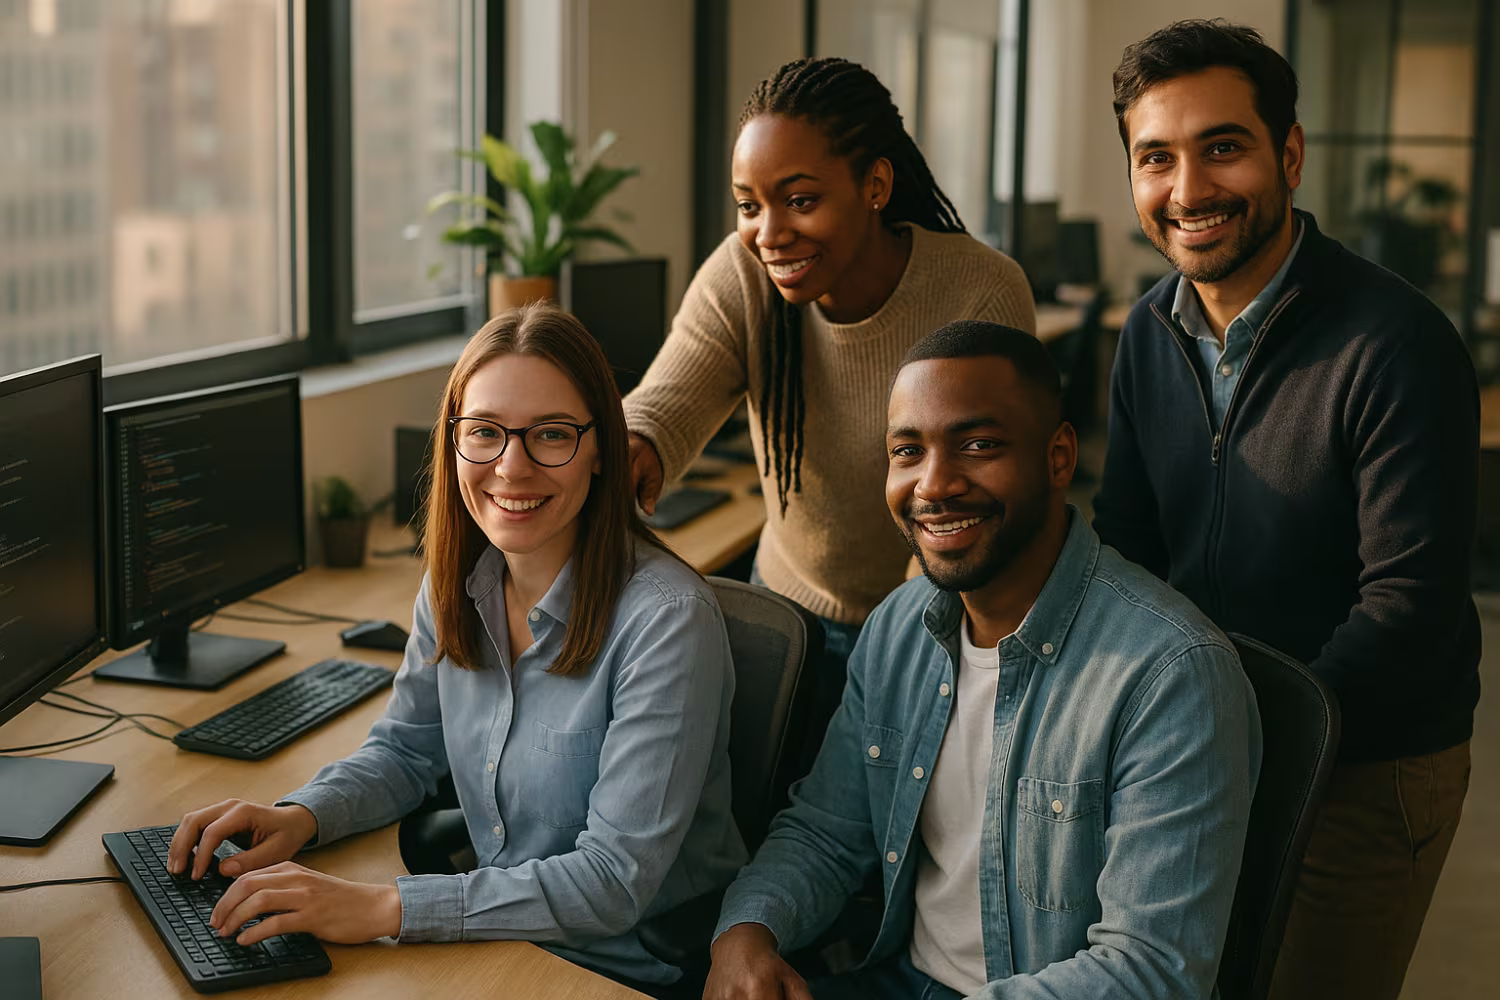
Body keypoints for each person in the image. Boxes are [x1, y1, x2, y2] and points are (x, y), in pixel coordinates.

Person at [165, 303, 747, 993]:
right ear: (453, 440)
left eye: (552, 435)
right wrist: (302, 816)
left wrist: (382, 906)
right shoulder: (459, 583)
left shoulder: (667, 620)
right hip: (496, 935)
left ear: (601, 451)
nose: (512, 467)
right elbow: (407, 751)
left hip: (619, 970)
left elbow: (611, 883)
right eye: (485, 433)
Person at [1093, 20, 1480, 999]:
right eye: (1157, 158)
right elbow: (1128, 549)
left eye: (1223, 146)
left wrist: (1232, 740)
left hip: (1367, 759)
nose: (1188, 191)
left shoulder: (1396, 342)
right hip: (1210, 748)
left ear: (1289, 153)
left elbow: (1408, 606)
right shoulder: (1146, 334)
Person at [705, 320, 1262, 1000]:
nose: (933, 484)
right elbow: (826, 833)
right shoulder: (899, 628)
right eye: (907, 451)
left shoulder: (1171, 674)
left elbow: (1149, 973)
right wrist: (744, 934)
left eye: (978, 445)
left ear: (1060, 458)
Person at [623, 57, 1036, 723]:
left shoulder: (976, 288)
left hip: (934, 623)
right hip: (787, 617)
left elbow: (969, 495)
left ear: (874, 184)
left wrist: (900, 639)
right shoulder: (744, 274)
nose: (770, 233)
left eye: (800, 200)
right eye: (749, 206)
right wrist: (616, 458)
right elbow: (662, 406)